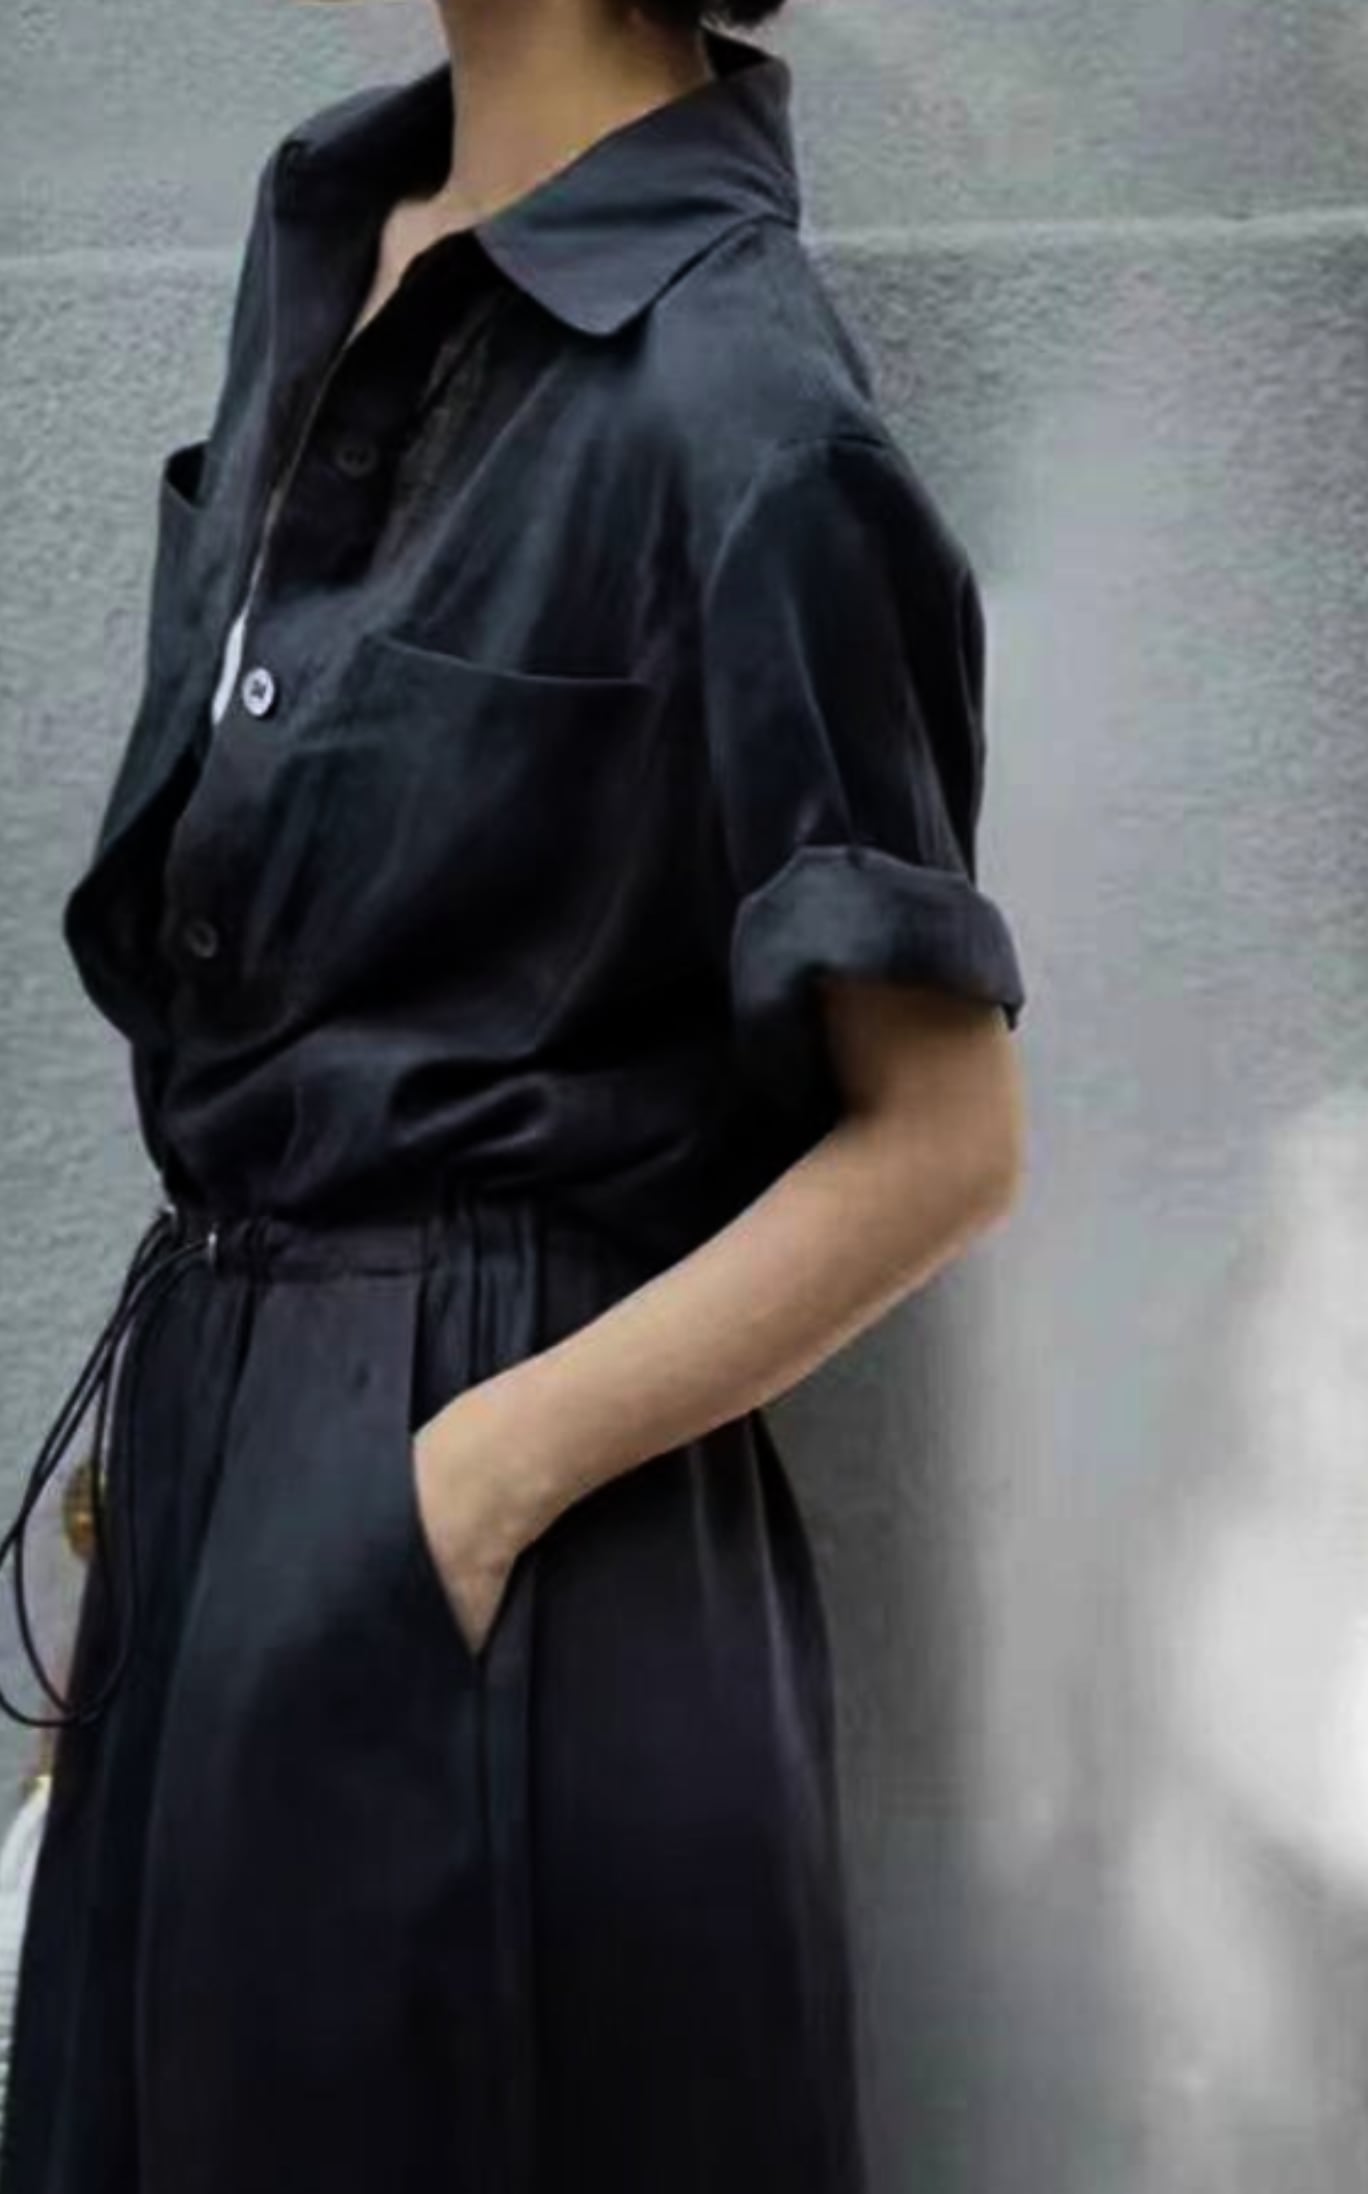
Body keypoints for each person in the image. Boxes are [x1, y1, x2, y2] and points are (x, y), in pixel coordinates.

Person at [0, 1, 1029, 2188]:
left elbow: (942, 1135)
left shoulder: (744, 402)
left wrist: (456, 1492)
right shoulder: (334, 238)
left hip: (512, 1547)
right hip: (219, 1476)